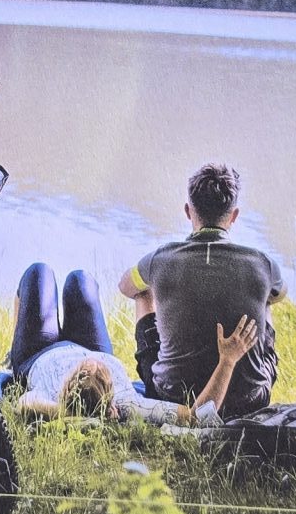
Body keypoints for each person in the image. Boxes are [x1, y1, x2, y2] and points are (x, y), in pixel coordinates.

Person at [118, 162, 282, 419]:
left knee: (143, 293)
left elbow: (126, 287)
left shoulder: (160, 259)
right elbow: (280, 293)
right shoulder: (262, 263)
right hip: (250, 401)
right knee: (267, 299)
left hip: (171, 396)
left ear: (188, 211)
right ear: (234, 216)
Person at [2, 260, 254, 424]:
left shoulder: (48, 399)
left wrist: (66, 414)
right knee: (81, 279)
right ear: (111, 395)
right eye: (99, 374)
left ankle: (13, 354)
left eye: (82, 373)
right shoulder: (128, 403)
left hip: (39, 353)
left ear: (68, 387)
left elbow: (24, 404)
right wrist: (227, 361)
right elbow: (196, 418)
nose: (91, 365)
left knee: (38, 272)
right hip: (92, 347)